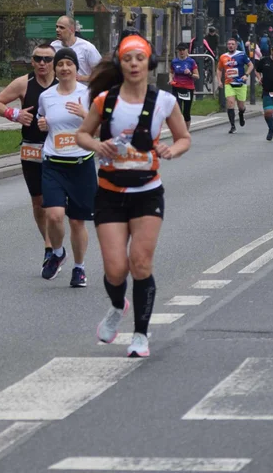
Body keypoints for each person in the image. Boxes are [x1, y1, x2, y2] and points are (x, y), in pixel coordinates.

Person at [75, 34, 191, 358]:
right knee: (115, 270)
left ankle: (140, 334)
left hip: (147, 193)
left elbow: (184, 138)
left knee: (140, 263)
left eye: (140, 58)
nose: (134, 64)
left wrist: (172, 149)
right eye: (128, 59)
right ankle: (117, 306)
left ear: (149, 63)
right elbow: (82, 134)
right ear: (120, 64)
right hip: (110, 193)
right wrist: (97, 145)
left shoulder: (164, 101)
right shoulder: (105, 101)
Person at [0, 43, 57, 268]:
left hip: (60, 150)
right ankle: (49, 247)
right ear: (32, 61)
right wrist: (14, 114)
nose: (42, 64)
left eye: (47, 59)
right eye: (38, 59)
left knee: (55, 204)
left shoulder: (63, 83)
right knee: (38, 202)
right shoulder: (23, 83)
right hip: (32, 149)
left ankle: (57, 245)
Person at [35, 47, 96, 287]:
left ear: (76, 68)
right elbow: (44, 120)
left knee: (77, 221)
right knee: (54, 215)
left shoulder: (88, 94)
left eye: (69, 64)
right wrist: (42, 125)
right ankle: (58, 252)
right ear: (55, 68)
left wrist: (85, 114)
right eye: (60, 64)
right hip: (53, 164)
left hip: (81, 164)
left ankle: (79, 269)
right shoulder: (46, 97)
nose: (64, 68)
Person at [50, 15, 103, 82]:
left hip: (82, 90)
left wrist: (81, 78)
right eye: (56, 27)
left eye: (62, 27)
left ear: (72, 29)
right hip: (59, 90)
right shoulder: (53, 46)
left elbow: (102, 73)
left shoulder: (87, 47)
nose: (57, 30)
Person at [217, 38, 253, 133]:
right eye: (229, 44)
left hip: (240, 83)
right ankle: (232, 126)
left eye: (232, 44)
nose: (230, 46)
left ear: (236, 45)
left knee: (241, 107)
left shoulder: (241, 55)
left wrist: (246, 75)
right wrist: (219, 81)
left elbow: (251, 65)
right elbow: (219, 69)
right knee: (230, 103)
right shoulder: (223, 57)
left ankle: (241, 114)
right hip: (229, 83)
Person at [170, 42, 200, 130]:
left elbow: (197, 76)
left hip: (188, 88)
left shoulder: (191, 61)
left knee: (186, 112)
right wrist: (170, 79)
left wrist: (190, 73)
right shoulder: (174, 61)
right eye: (180, 50)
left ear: (187, 51)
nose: (181, 52)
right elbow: (171, 72)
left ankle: (186, 131)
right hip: (177, 87)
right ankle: (180, 130)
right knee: (177, 109)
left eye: (183, 50)